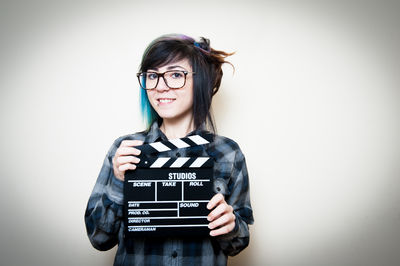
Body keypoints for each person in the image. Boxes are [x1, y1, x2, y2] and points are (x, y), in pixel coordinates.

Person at [85, 34, 254, 266]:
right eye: (152, 76)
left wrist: (230, 225)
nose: (160, 87)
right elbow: (99, 239)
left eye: (176, 74)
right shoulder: (126, 149)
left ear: (201, 81)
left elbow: (238, 245)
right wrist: (118, 181)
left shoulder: (228, 153)